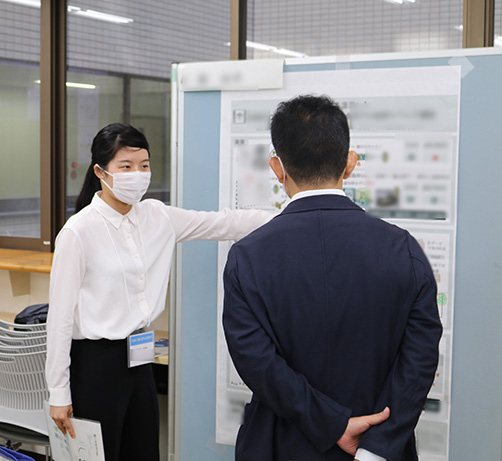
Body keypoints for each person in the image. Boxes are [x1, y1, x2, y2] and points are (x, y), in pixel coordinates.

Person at [222, 95, 442, 461]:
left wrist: (333, 423)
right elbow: (419, 358)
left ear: (277, 167)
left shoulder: (249, 256)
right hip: (379, 448)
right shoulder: (403, 249)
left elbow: (257, 362)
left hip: (280, 445)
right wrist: (378, 445)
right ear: (350, 163)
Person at [47, 123, 274, 461]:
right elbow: (60, 320)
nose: (137, 174)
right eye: (126, 167)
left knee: (143, 451)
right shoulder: (79, 232)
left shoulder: (157, 216)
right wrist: (58, 392)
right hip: (95, 365)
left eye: (144, 165)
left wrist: (289, 216)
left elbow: (223, 222)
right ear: (100, 172)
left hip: (139, 357)